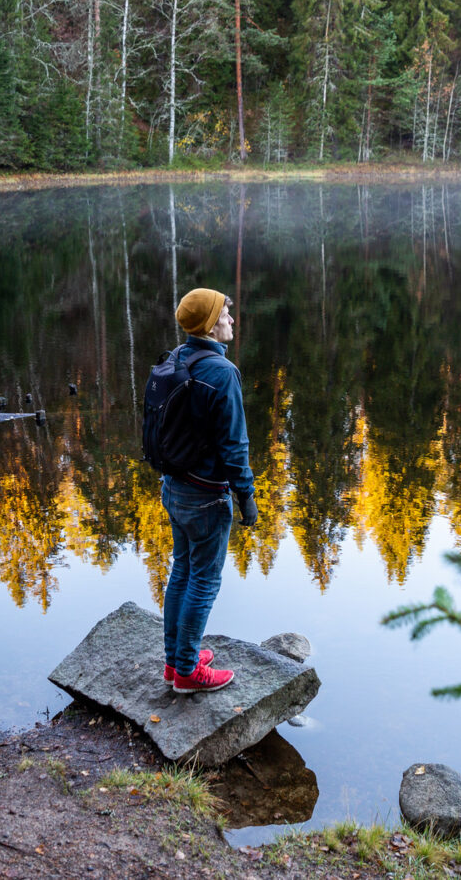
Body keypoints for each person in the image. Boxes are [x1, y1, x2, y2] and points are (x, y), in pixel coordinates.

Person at [159, 287, 258, 694]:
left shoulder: (177, 359)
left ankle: (174, 661)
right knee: (204, 581)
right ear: (209, 325)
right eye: (225, 316)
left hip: (174, 488)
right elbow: (235, 445)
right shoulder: (222, 372)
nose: (232, 321)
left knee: (181, 572)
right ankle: (187, 672)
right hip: (206, 498)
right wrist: (246, 495)